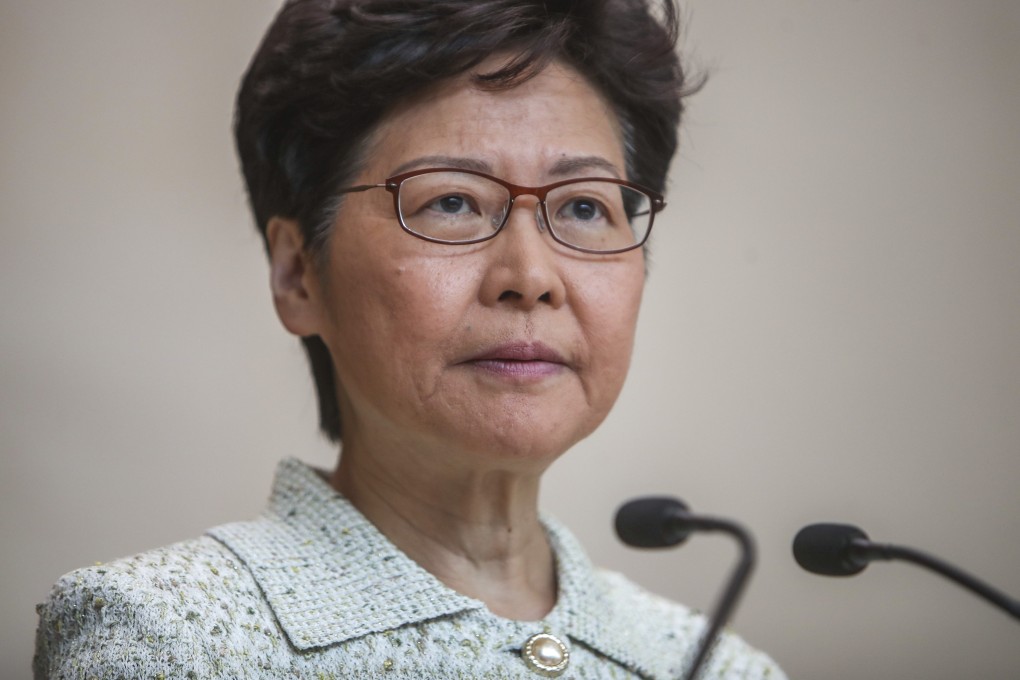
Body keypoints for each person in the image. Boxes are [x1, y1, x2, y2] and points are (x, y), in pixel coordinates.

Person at [34, 1, 787, 678]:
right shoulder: (171, 638)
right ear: (298, 275)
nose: (531, 277)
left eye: (585, 208)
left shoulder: (714, 666)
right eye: (452, 201)